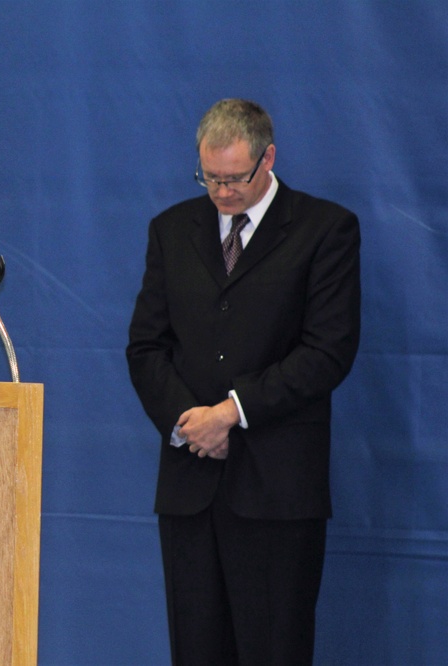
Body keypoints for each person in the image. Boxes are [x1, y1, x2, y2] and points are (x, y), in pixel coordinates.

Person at [126, 99, 360, 665]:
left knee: (274, 650)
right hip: (190, 486)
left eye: (235, 179)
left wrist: (230, 412)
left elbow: (328, 352)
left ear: (268, 159)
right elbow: (146, 346)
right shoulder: (172, 230)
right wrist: (192, 422)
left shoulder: (324, 229)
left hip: (278, 489)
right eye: (210, 178)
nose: (222, 193)